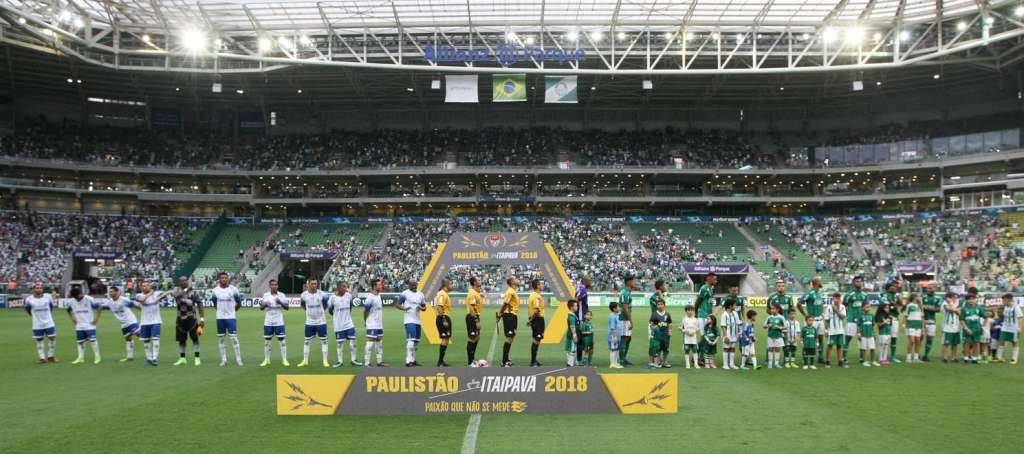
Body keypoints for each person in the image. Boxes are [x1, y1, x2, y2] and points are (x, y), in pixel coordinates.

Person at [210, 272, 243, 367]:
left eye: (225, 278)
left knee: (234, 338)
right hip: (220, 317)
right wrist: (220, 311)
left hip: (231, 317)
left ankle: (238, 359)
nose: (224, 279)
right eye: (222, 278)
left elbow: (239, 303)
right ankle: (223, 359)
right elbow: (215, 303)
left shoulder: (234, 289)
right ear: (219, 279)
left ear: (228, 279)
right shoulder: (215, 290)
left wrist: (233, 311)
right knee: (221, 339)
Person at [172, 277, 204, 366]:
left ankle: (197, 358)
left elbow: (200, 303)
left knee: (195, 338)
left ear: (187, 281)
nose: (183, 282)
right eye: (181, 280)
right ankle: (182, 358)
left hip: (191, 319)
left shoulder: (193, 291)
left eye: (185, 280)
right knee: (181, 340)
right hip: (180, 319)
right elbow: (176, 296)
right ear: (179, 282)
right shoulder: (176, 289)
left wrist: (202, 318)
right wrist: (186, 290)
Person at [299, 279, 330, 368]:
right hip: (309, 322)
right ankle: (305, 361)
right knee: (307, 341)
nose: (314, 285)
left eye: (315, 284)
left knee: (324, 341)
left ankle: (325, 361)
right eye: (312, 284)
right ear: (308, 284)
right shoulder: (303, 295)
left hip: (321, 321)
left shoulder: (323, 294)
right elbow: (303, 305)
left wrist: (320, 313)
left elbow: (325, 305)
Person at [396, 278, 427, 367]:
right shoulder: (404, 294)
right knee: (411, 340)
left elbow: (424, 308)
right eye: (412, 284)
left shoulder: (420, 294)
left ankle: (413, 360)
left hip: (417, 321)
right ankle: (408, 361)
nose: (414, 286)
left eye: (415, 284)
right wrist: (404, 308)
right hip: (409, 320)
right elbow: (397, 304)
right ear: (409, 285)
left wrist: (421, 308)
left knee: (416, 342)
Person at [329, 282, 361, 367]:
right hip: (338, 325)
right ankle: (340, 361)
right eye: (344, 287)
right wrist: (338, 317)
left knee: (353, 341)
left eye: (346, 286)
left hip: (349, 323)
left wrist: (347, 316)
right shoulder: (332, 298)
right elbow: (330, 310)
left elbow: (350, 307)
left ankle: (353, 360)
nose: (346, 288)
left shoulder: (349, 296)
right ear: (338, 288)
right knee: (340, 343)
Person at [104, 286, 140, 363]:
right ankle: (129, 357)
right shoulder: (109, 302)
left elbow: (134, 305)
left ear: (117, 292)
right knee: (128, 339)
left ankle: (150, 343)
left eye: (112, 291)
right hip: (123, 324)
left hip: (131, 321)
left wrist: (144, 311)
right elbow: (102, 306)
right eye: (109, 292)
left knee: (138, 334)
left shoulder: (124, 300)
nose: (110, 293)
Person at [67, 287, 102, 364]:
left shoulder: (89, 299)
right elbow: (68, 310)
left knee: (93, 341)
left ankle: (97, 356)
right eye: (75, 297)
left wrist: (96, 319)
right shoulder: (72, 301)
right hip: (79, 325)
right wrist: (72, 319)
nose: (77, 298)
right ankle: (80, 358)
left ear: (80, 294)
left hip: (89, 324)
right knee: (80, 342)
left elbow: (99, 306)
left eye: (77, 296)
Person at [25, 283, 58, 363]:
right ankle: (42, 358)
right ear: (33, 289)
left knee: (52, 338)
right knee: (39, 340)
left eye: (40, 288)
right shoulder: (29, 299)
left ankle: (50, 356)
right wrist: (34, 317)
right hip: (37, 324)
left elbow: (51, 308)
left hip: (49, 322)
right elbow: (28, 309)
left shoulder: (48, 297)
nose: (39, 289)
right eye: (37, 288)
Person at [135, 280, 165, 366]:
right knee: (146, 341)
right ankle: (149, 359)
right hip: (144, 322)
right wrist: (150, 294)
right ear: (141, 288)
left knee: (155, 339)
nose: (145, 287)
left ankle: (155, 358)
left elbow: (166, 293)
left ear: (150, 286)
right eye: (143, 286)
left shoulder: (156, 294)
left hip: (156, 321)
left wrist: (160, 298)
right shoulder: (139, 295)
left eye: (147, 285)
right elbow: (142, 300)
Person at [260, 279, 289, 367]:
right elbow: (261, 308)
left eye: (275, 285)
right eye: (272, 285)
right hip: (268, 321)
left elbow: (287, 307)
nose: (274, 286)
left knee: (282, 341)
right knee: (267, 341)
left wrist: (280, 302)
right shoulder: (265, 295)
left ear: (277, 286)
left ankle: (284, 360)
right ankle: (266, 360)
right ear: (270, 286)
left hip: (279, 321)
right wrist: (265, 304)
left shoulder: (282, 295)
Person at [842, 276, 869, 365]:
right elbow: (843, 305)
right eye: (857, 281)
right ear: (853, 283)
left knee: (862, 339)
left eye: (860, 281)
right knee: (847, 339)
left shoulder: (864, 295)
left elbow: (866, 306)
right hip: (851, 320)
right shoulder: (849, 295)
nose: (859, 283)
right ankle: (844, 357)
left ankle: (862, 358)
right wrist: (849, 313)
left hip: (862, 321)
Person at [798, 276, 825, 363]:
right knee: (807, 338)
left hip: (820, 319)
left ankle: (820, 357)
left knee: (820, 338)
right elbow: (799, 304)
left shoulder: (821, 292)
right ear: (816, 282)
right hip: (811, 320)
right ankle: (805, 357)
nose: (822, 282)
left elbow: (820, 304)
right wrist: (805, 315)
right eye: (820, 281)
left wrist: (822, 313)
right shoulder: (809, 293)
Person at [363, 278, 387, 367]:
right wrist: (366, 321)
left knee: (379, 342)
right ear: (374, 286)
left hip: (379, 324)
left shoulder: (378, 295)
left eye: (381, 284)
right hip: (372, 323)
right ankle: (367, 362)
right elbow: (365, 311)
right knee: (370, 343)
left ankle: (379, 361)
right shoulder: (370, 297)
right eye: (379, 285)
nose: (381, 286)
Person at [499, 277, 520, 367]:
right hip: (509, 316)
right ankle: (504, 361)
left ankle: (506, 359)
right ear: (512, 282)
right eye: (515, 279)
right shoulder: (510, 291)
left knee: (511, 337)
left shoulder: (512, 291)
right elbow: (505, 303)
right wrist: (500, 314)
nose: (517, 279)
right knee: (509, 337)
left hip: (513, 315)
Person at [881, 281, 904, 364]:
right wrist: (894, 305)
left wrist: (897, 300)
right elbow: (886, 306)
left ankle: (893, 356)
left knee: (894, 338)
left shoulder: (896, 295)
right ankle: (883, 356)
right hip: (887, 319)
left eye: (895, 286)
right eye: (893, 286)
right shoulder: (884, 295)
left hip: (895, 319)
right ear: (889, 288)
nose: (895, 288)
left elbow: (901, 305)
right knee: (886, 338)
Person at [823, 292, 847, 368]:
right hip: (832, 330)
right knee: (830, 346)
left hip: (840, 330)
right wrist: (826, 330)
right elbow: (826, 319)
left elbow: (843, 317)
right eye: (835, 298)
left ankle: (840, 361)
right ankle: (827, 361)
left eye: (838, 298)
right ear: (833, 299)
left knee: (839, 346)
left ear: (840, 299)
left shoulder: (843, 307)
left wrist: (836, 310)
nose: (837, 300)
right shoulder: (829, 307)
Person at [920, 282, 942, 362]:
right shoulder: (922, 296)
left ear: (935, 289)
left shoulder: (938, 298)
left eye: (930, 288)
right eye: (927, 288)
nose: (928, 289)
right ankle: (917, 354)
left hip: (932, 321)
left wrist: (926, 307)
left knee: (930, 339)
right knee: (920, 338)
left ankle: (925, 355)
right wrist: (931, 307)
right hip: (922, 320)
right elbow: (919, 307)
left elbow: (938, 309)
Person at [432, 279, 452, 367]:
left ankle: (441, 361)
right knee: (444, 339)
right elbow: (439, 307)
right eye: (450, 284)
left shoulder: (444, 294)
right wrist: (444, 319)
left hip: (444, 317)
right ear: (446, 285)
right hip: (442, 318)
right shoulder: (442, 294)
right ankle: (440, 362)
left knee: (446, 339)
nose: (452, 285)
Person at [960, 293, 984, 365]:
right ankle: (966, 358)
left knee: (976, 343)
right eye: (969, 299)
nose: (971, 300)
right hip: (967, 329)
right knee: (967, 343)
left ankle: (974, 358)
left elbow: (985, 316)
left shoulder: (979, 308)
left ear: (975, 300)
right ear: (966, 300)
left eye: (972, 299)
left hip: (977, 329)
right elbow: (961, 320)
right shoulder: (964, 309)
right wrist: (966, 328)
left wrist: (983, 327)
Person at [618, 274, 637, 366]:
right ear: (629, 282)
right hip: (624, 319)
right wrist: (631, 321)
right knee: (624, 338)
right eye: (633, 281)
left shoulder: (626, 292)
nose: (635, 283)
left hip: (625, 318)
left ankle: (624, 358)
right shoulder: (625, 293)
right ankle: (621, 360)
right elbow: (625, 308)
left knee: (628, 338)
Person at [527, 279, 546, 367]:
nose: (542, 285)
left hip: (535, 320)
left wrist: (530, 319)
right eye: (541, 284)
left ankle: (534, 360)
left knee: (537, 340)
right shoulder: (537, 296)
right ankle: (533, 362)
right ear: (537, 286)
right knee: (536, 340)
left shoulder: (532, 295)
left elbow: (530, 309)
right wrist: (531, 320)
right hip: (538, 319)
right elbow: (536, 310)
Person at [996, 294, 1021, 364]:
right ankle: (999, 357)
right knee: (1001, 340)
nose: (1003, 302)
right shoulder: (1006, 307)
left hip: (1014, 327)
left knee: (1014, 342)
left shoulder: (1016, 307)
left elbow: (1020, 317)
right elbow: (1005, 316)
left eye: (1004, 300)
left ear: (1008, 300)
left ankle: (1014, 359)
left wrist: (1019, 327)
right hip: (1005, 327)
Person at [465, 277, 484, 365]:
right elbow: (471, 308)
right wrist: (476, 321)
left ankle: (472, 359)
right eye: (478, 280)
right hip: (472, 317)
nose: (480, 281)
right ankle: (470, 362)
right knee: (472, 339)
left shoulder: (476, 293)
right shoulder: (472, 293)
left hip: (475, 316)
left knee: (477, 338)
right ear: (474, 282)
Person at [648, 299, 672, 369]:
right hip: (657, 335)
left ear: (664, 305)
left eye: (661, 304)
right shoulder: (654, 314)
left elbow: (670, 323)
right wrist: (653, 329)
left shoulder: (667, 314)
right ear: (657, 305)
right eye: (658, 304)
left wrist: (670, 331)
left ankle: (664, 361)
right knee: (658, 348)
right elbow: (651, 324)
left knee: (665, 348)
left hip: (665, 334)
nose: (660, 306)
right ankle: (658, 361)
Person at [941, 291, 962, 364]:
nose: (956, 299)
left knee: (955, 343)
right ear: (949, 298)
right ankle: (945, 357)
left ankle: (954, 357)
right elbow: (949, 309)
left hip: (956, 327)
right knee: (946, 343)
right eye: (954, 297)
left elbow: (959, 313)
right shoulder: (944, 303)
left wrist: (953, 306)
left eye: (956, 297)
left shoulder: (957, 303)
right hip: (947, 327)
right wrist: (953, 306)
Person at [719, 299, 741, 370]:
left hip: (734, 334)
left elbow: (738, 323)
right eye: (734, 305)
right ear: (730, 306)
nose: (735, 306)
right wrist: (725, 336)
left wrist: (739, 333)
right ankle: (725, 364)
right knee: (726, 348)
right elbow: (723, 326)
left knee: (732, 349)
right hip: (727, 335)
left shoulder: (735, 313)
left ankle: (732, 364)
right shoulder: (724, 315)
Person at [575, 276, 591, 365]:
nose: (591, 282)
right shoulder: (583, 289)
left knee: (581, 340)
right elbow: (576, 299)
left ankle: (579, 360)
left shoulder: (580, 288)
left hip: (581, 316)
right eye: (589, 280)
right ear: (585, 281)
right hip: (581, 317)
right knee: (581, 340)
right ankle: (579, 361)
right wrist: (578, 312)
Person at [904, 292, 924, 363]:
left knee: (918, 340)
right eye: (918, 296)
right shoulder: (909, 305)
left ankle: (916, 358)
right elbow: (906, 316)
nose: (919, 298)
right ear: (914, 297)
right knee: (912, 341)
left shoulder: (920, 306)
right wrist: (905, 326)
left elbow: (922, 317)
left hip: (918, 325)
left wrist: (923, 327)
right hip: (911, 324)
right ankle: (908, 357)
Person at [764, 305, 785, 369]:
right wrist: (768, 325)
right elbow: (764, 326)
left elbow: (786, 326)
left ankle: (776, 363)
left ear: (777, 310)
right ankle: (770, 363)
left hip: (778, 336)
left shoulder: (781, 317)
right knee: (770, 349)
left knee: (777, 349)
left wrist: (779, 327)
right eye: (771, 309)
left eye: (773, 309)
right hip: (770, 336)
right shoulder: (769, 317)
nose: (772, 310)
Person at [681, 305, 700, 369]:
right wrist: (687, 332)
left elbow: (698, 328)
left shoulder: (695, 319)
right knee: (687, 350)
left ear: (693, 311)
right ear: (686, 311)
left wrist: (694, 332)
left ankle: (696, 364)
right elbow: (682, 328)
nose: (690, 311)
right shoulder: (684, 319)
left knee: (695, 350)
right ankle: (687, 364)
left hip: (694, 338)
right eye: (688, 310)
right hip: (687, 338)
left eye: (691, 310)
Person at [608, 302, 623, 369]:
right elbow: (612, 328)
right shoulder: (612, 317)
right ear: (614, 309)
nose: (619, 308)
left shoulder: (616, 315)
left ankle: (616, 363)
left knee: (617, 350)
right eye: (618, 307)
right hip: (613, 336)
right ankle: (612, 363)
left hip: (618, 335)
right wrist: (614, 337)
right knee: (613, 350)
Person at [565, 299, 579, 367]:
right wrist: (574, 335)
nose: (577, 307)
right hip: (571, 334)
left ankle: (570, 362)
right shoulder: (571, 316)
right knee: (572, 349)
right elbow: (572, 326)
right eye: (576, 306)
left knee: (570, 348)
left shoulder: (572, 315)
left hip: (570, 334)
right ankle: (570, 364)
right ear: (571, 307)